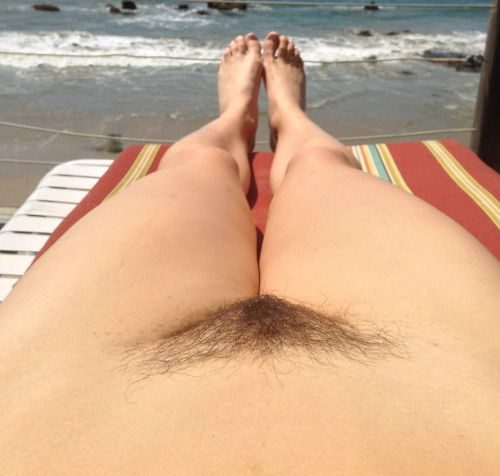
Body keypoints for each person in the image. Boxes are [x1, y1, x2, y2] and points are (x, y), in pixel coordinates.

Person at [1, 32, 499, 474]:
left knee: (199, 162)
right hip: (444, 382)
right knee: (320, 163)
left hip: (68, 390)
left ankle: (236, 119)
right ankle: (287, 119)